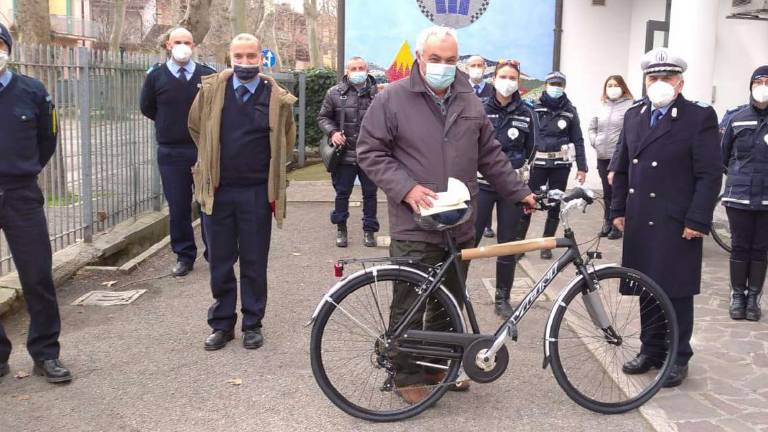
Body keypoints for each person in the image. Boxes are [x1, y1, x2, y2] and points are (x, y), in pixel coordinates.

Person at [357, 25, 536, 404]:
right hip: (414, 224)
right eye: (435, 59)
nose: (443, 67)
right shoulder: (392, 99)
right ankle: (406, 375)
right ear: (420, 58)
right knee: (409, 302)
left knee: (449, 301)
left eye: (450, 60)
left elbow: (490, 153)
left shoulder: (469, 99)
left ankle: (441, 367)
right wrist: (406, 188)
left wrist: (519, 191)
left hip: (459, 223)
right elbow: (370, 151)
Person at [611, 48, 722, 387]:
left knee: (675, 290)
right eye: (653, 78)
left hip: (677, 220)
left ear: (680, 82)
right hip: (641, 215)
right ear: (645, 81)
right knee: (647, 287)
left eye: (666, 78)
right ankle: (651, 349)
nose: (659, 84)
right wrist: (617, 209)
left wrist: (698, 219)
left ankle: (677, 355)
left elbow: (709, 174)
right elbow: (621, 164)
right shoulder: (634, 114)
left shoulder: (698, 117)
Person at [188, 33, 297, 351]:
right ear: (229, 57)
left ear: (261, 58)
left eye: (252, 56)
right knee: (220, 260)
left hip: (256, 194)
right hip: (219, 191)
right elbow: (196, 126)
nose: (246, 63)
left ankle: (253, 323)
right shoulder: (211, 91)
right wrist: (210, 160)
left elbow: (287, 140)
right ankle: (222, 324)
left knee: (253, 260)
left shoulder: (276, 96)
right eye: (240, 56)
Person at [0, 23, 72, 383]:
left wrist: (23, 171)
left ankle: (45, 354)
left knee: (37, 276)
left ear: (8, 50)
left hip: (21, 194)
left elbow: (49, 139)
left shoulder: (32, 91)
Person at [140, 27, 216, 276]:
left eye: (187, 42)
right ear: (168, 46)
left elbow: (215, 111)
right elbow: (148, 108)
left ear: (194, 46)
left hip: (202, 150)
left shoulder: (207, 75)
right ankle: (184, 255)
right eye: (177, 42)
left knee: (207, 202)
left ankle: (214, 251)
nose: (183, 46)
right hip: (171, 152)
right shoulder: (156, 77)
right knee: (178, 206)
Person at [473, 59, 536, 318]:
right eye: (503, 76)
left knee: (507, 244)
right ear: (494, 78)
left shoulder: (528, 112)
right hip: (482, 185)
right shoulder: (479, 108)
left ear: (518, 82)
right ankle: (454, 292)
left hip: (512, 188)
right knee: (468, 240)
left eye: (513, 77)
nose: (508, 81)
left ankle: (502, 298)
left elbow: (531, 148)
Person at [521, 71, 587, 259]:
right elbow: (527, 137)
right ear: (546, 84)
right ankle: (519, 244)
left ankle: (546, 244)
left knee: (555, 203)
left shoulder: (570, 110)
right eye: (552, 83)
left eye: (559, 84)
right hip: (538, 164)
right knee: (528, 202)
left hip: (560, 165)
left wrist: (582, 167)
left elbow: (578, 139)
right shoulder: (534, 107)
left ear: (564, 86)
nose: (555, 87)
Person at [721, 65, 768, 322]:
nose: (762, 86)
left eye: (767, 81)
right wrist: (740, 177)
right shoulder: (736, 117)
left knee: (760, 248)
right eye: (758, 81)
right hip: (739, 196)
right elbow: (723, 155)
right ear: (751, 86)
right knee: (739, 246)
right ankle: (738, 295)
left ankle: (753, 297)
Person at [317, 56, 379, 248]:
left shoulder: (378, 94)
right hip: (344, 155)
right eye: (354, 68)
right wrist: (333, 132)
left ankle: (369, 231)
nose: (357, 71)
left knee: (370, 194)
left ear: (367, 70)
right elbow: (323, 118)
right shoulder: (334, 93)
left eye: (361, 68)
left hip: (369, 155)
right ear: (347, 71)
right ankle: (341, 228)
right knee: (342, 194)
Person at [588, 74, 634, 240]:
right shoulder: (601, 106)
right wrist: (596, 142)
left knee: (619, 190)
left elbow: (631, 132)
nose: (612, 88)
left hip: (621, 157)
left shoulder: (631, 106)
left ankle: (617, 224)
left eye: (616, 85)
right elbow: (592, 127)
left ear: (622, 87)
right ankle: (607, 222)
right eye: (610, 85)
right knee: (607, 192)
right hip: (603, 155)